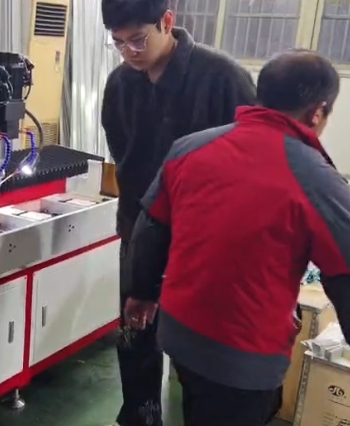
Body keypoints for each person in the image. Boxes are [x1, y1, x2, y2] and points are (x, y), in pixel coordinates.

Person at [124, 49, 350, 426]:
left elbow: (152, 227)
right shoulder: (318, 180)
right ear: (317, 112)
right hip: (245, 358)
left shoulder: (190, 148)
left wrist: (142, 292)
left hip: (178, 332)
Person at [99, 1, 255, 425]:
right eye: (118, 43)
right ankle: (140, 414)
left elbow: (251, 159)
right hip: (139, 228)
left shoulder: (223, 79)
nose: (129, 52)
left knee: (198, 348)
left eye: (137, 39)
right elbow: (123, 155)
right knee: (135, 333)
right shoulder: (120, 85)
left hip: (202, 239)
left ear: (167, 21)